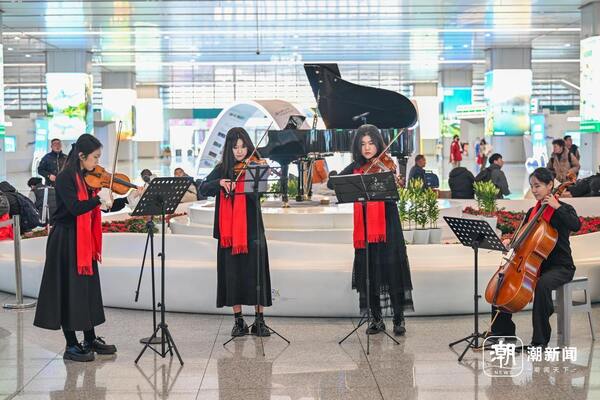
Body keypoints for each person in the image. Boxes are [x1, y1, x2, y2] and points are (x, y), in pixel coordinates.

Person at [33, 134, 117, 362]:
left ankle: (90, 339)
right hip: (66, 239)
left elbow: (94, 206)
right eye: (95, 157)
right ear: (81, 155)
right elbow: (75, 208)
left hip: (82, 238)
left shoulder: (86, 177)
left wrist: (123, 200)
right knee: (68, 290)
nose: (97, 162)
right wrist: (98, 200)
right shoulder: (65, 178)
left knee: (86, 289)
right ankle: (71, 345)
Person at [327, 124, 413, 335]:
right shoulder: (356, 167)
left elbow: (395, 192)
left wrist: (393, 179)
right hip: (365, 227)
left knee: (392, 270)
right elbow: (333, 184)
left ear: (378, 145)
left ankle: (398, 318)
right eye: (363, 144)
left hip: (388, 224)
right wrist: (334, 176)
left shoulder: (386, 164)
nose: (367, 148)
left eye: (371, 143)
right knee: (369, 272)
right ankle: (376, 319)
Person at [490, 167, 580, 349]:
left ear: (550, 185)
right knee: (502, 280)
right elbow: (522, 237)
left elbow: (576, 225)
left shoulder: (563, 208)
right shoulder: (533, 211)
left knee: (542, 285)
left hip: (560, 267)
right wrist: (510, 241)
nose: (534, 190)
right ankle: (503, 332)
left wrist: (557, 206)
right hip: (533, 264)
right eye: (532, 186)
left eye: (538, 186)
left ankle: (539, 341)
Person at [199, 127, 272, 338]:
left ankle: (260, 321)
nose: (240, 151)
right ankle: (238, 321)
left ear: (248, 147)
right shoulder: (222, 169)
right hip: (229, 232)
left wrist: (260, 175)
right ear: (229, 149)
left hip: (252, 228)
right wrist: (220, 183)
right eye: (235, 147)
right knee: (232, 274)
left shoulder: (255, 167)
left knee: (257, 273)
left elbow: (259, 194)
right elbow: (202, 187)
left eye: (243, 147)